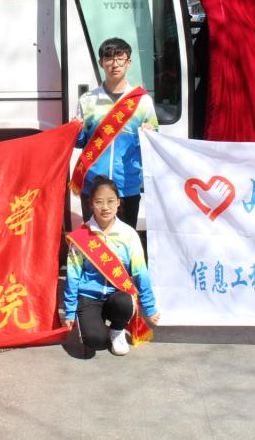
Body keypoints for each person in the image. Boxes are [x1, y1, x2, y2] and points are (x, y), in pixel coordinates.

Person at [63, 176, 160, 356]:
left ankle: (117, 329)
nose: (105, 207)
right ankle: (94, 324)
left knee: (124, 302)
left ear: (118, 203)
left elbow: (140, 272)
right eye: (99, 202)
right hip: (89, 296)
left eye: (110, 201)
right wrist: (69, 311)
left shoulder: (129, 235)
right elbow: (73, 275)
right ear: (91, 204)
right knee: (95, 341)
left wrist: (150, 307)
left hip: (117, 295)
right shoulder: (81, 236)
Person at [72, 38, 159, 228]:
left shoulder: (142, 101)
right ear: (101, 62)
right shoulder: (88, 100)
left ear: (128, 62)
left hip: (126, 184)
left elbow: (154, 142)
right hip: (93, 185)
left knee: (124, 239)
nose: (115, 63)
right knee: (93, 240)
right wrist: (75, 130)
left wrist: (151, 132)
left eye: (120, 58)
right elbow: (79, 142)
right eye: (109, 58)